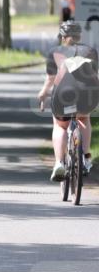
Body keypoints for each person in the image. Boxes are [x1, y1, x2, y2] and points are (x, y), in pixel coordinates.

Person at [37, 21, 99, 181]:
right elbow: (95, 76)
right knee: (84, 118)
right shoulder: (91, 51)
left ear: (62, 37)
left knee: (59, 125)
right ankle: (85, 157)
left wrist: (43, 94)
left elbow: (51, 79)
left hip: (63, 95)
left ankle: (59, 163)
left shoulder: (54, 51)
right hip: (87, 95)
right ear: (80, 36)